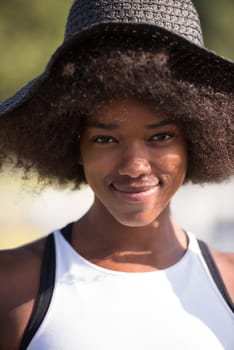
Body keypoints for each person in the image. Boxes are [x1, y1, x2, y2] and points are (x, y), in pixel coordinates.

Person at [0, 0, 233, 349]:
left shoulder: (230, 286)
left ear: (196, 140)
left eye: (160, 136)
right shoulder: (12, 288)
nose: (135, 165)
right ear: (74, 144)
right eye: (105, 139)